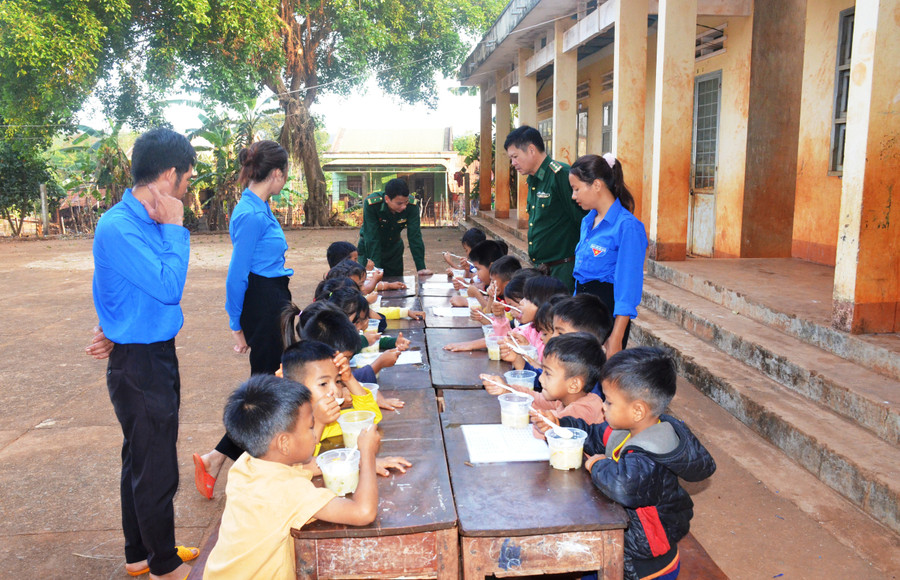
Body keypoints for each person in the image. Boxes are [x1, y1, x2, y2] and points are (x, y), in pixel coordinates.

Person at [91, 128, 198, 580]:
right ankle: (164, 566)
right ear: (169, 175)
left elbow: (118, 286)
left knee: (141, 457)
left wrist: (111, 324)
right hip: (140, 362)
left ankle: (140, 553)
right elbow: (169, 288)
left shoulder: (144, 222)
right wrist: (176, 229)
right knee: (155, 465)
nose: (189, 190)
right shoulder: (121, 225)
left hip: (149, 353)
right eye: (188, 179)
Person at [537, 347, 717, 580]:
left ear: (638, 410)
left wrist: (598, 465)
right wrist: (560, 424)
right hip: (624, 545)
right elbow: (592, 435)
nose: (603, 407)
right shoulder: (624, 431)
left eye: (609, 403)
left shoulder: (652, 453)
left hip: (646, 565)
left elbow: (624, 486)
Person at [202, 375, 380, 579]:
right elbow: (363, 512)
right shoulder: (288, 490)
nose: (315, 435)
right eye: (310, 427)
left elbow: (308, 466)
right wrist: (367, 454)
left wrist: (350, 459)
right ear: (284, 443)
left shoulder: (246, 464)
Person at [226, 140, 295, 374]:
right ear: (277, 173)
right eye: (285, 173)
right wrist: (236, 325)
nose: (285, 179)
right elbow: (237, 274)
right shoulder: (251, 214)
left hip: (273, 295)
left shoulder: (260, 207)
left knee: (280, 373)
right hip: (263, 301)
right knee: (268, 377)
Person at [570, 153, 648, 357]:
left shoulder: (627, 227)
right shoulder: (588, 221)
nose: (573, 196)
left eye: (577, 189)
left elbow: (627, 288)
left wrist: (616, 336)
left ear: (596, 185)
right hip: (582, 312)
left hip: (607, 317)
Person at [505, 126, 586, 292]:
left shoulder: (560, 175)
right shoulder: (534, 180)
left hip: (563, 270)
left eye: (515, 157)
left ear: (531, 150)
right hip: (544, 270)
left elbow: (583, 221)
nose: (513, 163)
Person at [482, 332, 606, 439]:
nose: (541, 378)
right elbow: (535, 399)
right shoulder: (564, 400)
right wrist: (506, 389)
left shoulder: (584, 409)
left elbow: (544, 429)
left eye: (548, 373)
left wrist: (541, 420)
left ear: (574, 385)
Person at [357, 178, 433, 277]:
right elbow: (372, 237)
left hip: (393, 250)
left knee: (395, 285)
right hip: (369, 250)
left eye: (405, 202)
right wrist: (376, 268)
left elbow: (415, 236)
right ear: (387, 199)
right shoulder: (372, 204)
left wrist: (421, 267)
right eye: (399, 203)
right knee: (369, 285)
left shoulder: (412, 205)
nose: (404, 206)